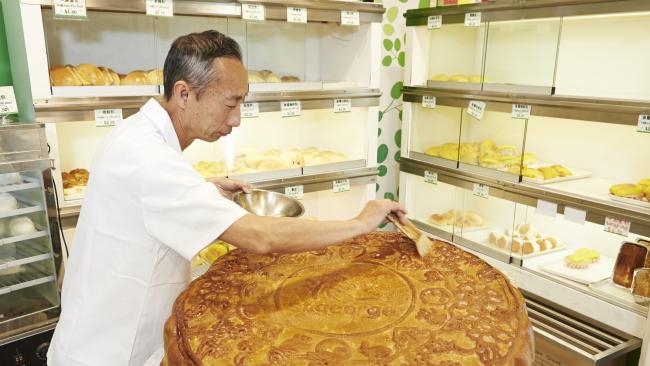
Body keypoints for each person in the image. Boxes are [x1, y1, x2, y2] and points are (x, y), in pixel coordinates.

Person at [47, 30, 406, 366]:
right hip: (112, 351)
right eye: (230, 103)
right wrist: (359, 223)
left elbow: (148, 202)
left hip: (103, 332)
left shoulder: (135, 133)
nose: (236, 120)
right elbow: (261, 238)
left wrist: (204, 191)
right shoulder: (149, 159)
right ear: (184, 93)